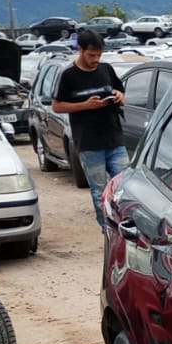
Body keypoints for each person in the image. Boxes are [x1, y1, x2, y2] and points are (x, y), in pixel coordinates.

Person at [50, 29, 125, 231]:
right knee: (99, 191)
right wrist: (85, 105)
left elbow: (121, 91)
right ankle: (107, 230)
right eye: (91, 55)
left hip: (114, 138)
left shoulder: (106, 69)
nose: (96, 59)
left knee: (124, 187)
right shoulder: (68, 75)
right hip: (89, 143)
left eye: (99, 55)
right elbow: (56, 106)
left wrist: (119, 96)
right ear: (80, 50)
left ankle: (126, 228)